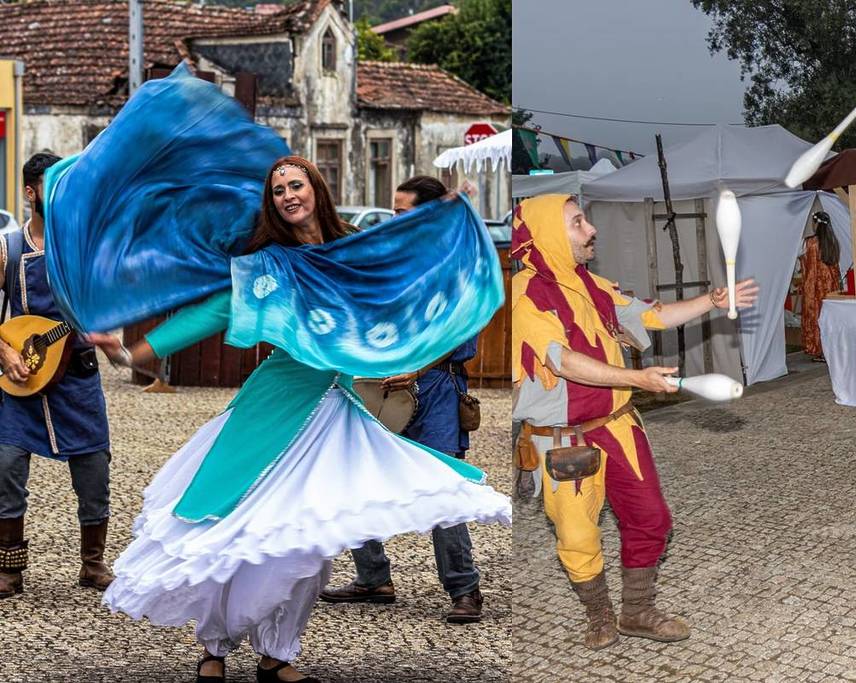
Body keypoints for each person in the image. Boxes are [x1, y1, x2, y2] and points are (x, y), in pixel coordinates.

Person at [87, 156, 511, 683]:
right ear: (273, 203)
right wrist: (132, 353)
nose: (289, 194)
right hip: (275, 406)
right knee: (235, 531)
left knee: (308, 545)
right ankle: (213, 650)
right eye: (279, 189)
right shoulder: (268, 263)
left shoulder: (352, 244)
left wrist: (450, 218)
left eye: (296, 183)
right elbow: (212, 313)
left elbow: (408, 267)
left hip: (335, 409)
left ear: (316, 189)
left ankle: (277, 655)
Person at [511, 194, 757, 651]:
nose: (591, 230)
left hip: (618, 424)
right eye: (578, 223)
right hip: (565, 438)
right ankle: (599, 613)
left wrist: (712, 300)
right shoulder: (526, 296)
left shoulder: (590, 284)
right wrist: (636, 376)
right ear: (548, 233)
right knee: (578, 534)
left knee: (651, 518)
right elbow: (562, 361)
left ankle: (637, 611)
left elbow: (650, 314)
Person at [319, 175, 487, 623]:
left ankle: (464, 589)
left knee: (441, 487)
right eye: (393, 212)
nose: (394, 220)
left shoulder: (455, 265)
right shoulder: (389, 260)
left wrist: (417, 367)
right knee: (356, 475)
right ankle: (373, 577)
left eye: (402, 212)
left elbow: (460, 331)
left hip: (435, 390)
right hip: (383, 386)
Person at [0, 152, 114, 599]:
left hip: (77, 378)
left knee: (95, 469)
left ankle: (92, 564)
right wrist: (5, 351)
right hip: (21, 381)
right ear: (31, 193)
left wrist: (103, 327)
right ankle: (9, 567)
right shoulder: (8, 249)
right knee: (6, 464)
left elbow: (108, 304)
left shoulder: (84, 249)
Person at [799, 211, 842, 361]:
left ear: (816, 224)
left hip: (815, 285)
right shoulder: (833, 242)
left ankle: (819, 349)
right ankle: (831, 349)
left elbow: (807, 265)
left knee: (816, 316)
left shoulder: (810, 243)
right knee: (830, 318)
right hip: (831, 286)